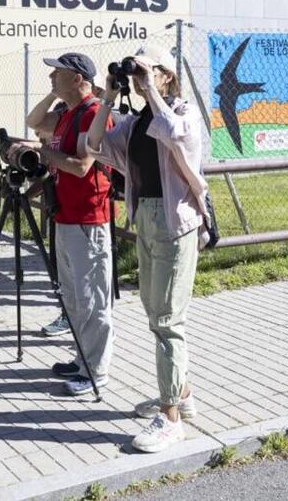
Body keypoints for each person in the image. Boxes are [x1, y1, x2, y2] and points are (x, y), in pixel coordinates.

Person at [85, 45, 210, 453]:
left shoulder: (184, 112)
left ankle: (171, 416)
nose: (139, 78)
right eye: (136, 71)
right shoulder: (137, 122)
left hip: (177, 224)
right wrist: (107, 95)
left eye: (148, 70)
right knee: (155, 315)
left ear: (167, 76)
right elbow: (93, 143)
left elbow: (176, 134)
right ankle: (180, 392)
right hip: (147, 221)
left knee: (169, 319)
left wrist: (150, 90)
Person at [20, 52, 114, 397]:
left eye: (57, 74)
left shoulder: (93, 113)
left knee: (93, 301)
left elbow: (82, 166)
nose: (50, 78)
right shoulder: (67, 114)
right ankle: (81, 358)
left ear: (77, 79)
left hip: (89, 219)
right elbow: (34, 121)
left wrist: (45, 154)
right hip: (66, 216)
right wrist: (54, 98)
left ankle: (97, 370)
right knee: (74, 299)